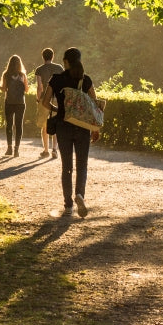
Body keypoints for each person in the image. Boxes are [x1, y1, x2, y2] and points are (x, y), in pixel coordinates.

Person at [43, 47, 97, 217]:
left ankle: (68, 206)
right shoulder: (85, 80)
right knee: (82, 165)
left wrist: (58, 110)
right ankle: (80, 194)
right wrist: (95, 129)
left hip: (63, 126)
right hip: (82, 127)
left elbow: (45, 102)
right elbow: (94, 106)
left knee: (67, 166)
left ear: (65, 62)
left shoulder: (56, 79)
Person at [0, 55, 29, 157]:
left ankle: (9, 148)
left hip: (9, 102)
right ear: (20, 64)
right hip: (20, 103)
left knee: (9, 125)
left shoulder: (6, 74)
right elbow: (26, 89)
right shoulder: (22, 75)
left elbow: (4, 89)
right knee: (19, 125)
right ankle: (17, 149)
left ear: (9, 63)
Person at [33, 48, 64, 160]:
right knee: (55, 125)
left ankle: (46, 150)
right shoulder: (59, 68)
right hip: (57, 99)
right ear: (52, 56)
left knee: (45, 125)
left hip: (44, 100)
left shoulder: (39, 70)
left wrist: (38, 99)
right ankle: (54, 149)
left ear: (43, 57)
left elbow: (40, 87)